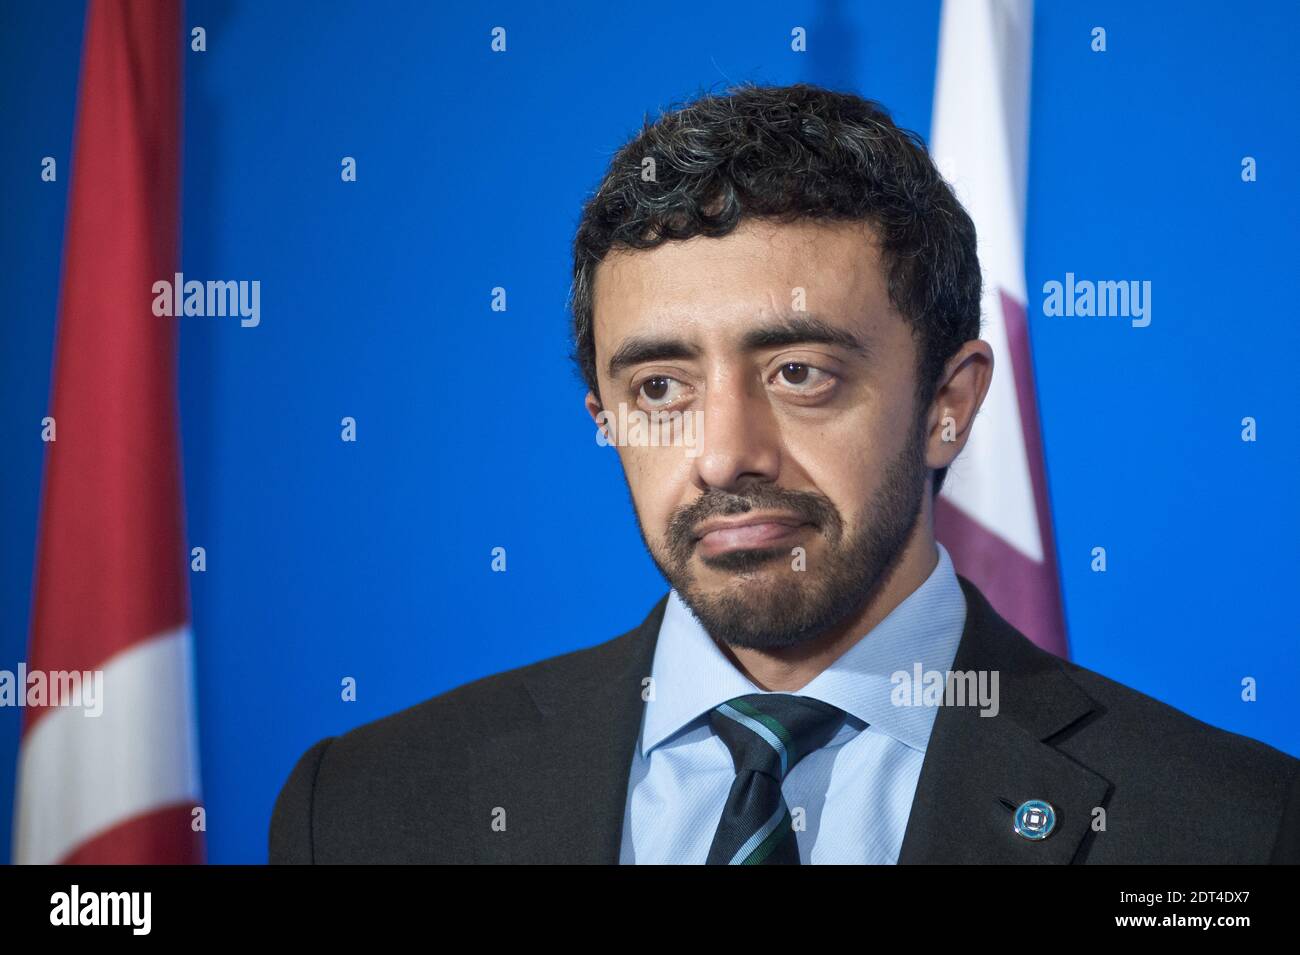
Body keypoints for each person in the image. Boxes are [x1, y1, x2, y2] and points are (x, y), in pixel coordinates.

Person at [269, 82, 1299, 864]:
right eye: (662, 387)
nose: (723, 454)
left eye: (798, 372)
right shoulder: (365, 807)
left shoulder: (1226, 829)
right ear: (606, 419)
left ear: (949, 403)